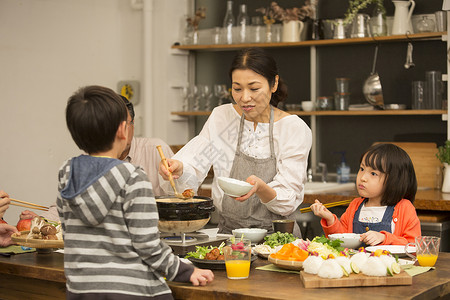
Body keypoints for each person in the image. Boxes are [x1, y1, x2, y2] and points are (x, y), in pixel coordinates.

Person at [57, 85, 213, 299]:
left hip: (80, 290)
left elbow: (69, 232)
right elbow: (148, 246)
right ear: (123, 129)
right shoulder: (132, 176)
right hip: (131, 291)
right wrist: (186, 271)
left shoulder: (67, 172)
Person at [159, 48, 312, 236]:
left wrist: (261, 188)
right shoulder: (222, 117)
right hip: (229, 236)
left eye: (254, 88)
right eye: (237, 89)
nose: (244, 98)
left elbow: (288, 200)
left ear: (274, 84)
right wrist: (179, 168)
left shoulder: (293, 128)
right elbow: (195, 164)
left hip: (278, 240)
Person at [20, 95, 174, 222]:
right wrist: (42, 221)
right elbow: (67, 208)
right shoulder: (87, 163)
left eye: (123, 124)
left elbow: (180, 196)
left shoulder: (155, 149)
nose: (119, 130)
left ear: (133, 124)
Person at [310, 143, 421, 246]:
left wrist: (384, 238)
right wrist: (330, 220)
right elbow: (342, 241)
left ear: (394, 180)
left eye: (373, 173)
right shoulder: (355, 205)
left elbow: (413, 246)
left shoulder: (404, 208)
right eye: (362, 169)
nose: (362, 178)